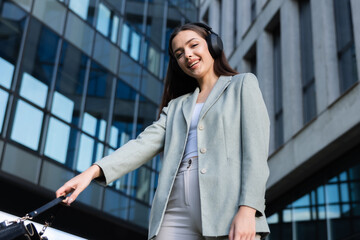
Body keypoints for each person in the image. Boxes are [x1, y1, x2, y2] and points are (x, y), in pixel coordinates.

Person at [56, 22, 270, 240]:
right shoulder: (177, 106)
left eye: (193, 45)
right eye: (179, 53)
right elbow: (142, 144)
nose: (188, 55)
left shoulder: (242, 84)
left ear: (213, 45)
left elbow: (256, 154)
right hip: (175, 209)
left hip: (227, 205)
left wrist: (248, 209)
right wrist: (91, 172)